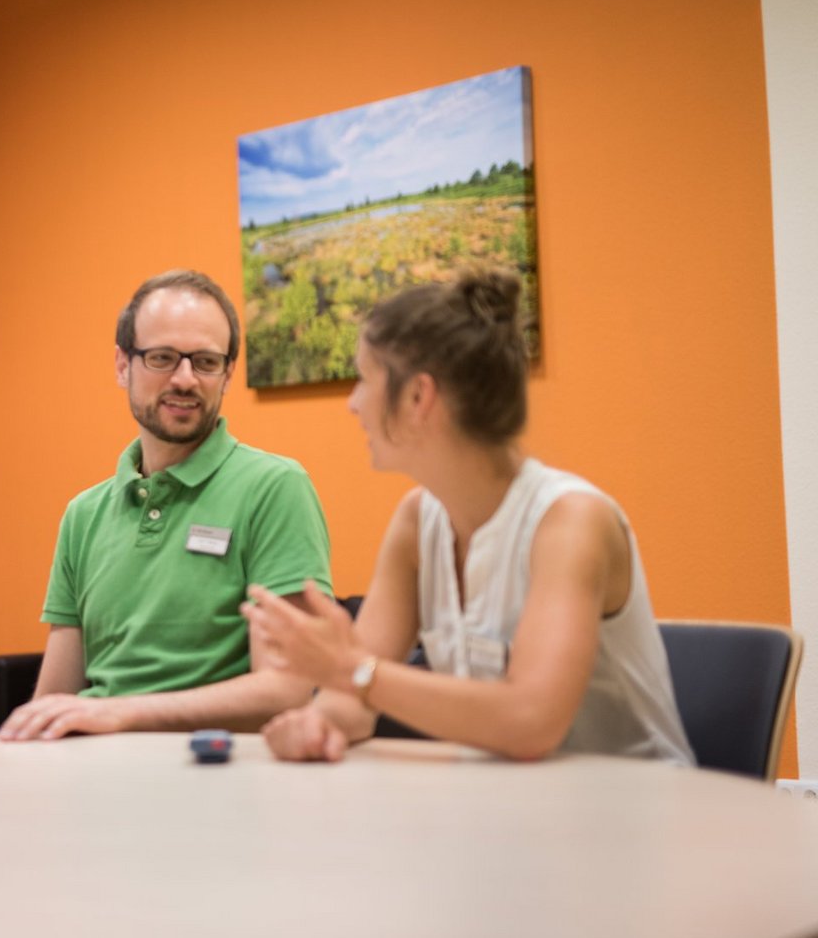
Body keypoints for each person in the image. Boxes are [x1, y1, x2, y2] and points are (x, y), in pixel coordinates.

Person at [243, 269, 693, 764]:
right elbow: (351, 701)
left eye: (364, 380)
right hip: (511, 812)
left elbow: (531, 722)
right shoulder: (417, 523)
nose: (353, 404)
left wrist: (351, 670)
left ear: (418, 398)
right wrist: (317, 723)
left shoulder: (571, 522)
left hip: (629, 816)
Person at [0, 269, 332, 741]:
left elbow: (287, 689)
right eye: (161, 358)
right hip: (94, 770)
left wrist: (123, 713)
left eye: (206, 361)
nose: (184, 379)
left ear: (229, 374)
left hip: (215, 769)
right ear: (122, 365)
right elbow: (55, 698)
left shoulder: (275, 487)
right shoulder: (83, 514)